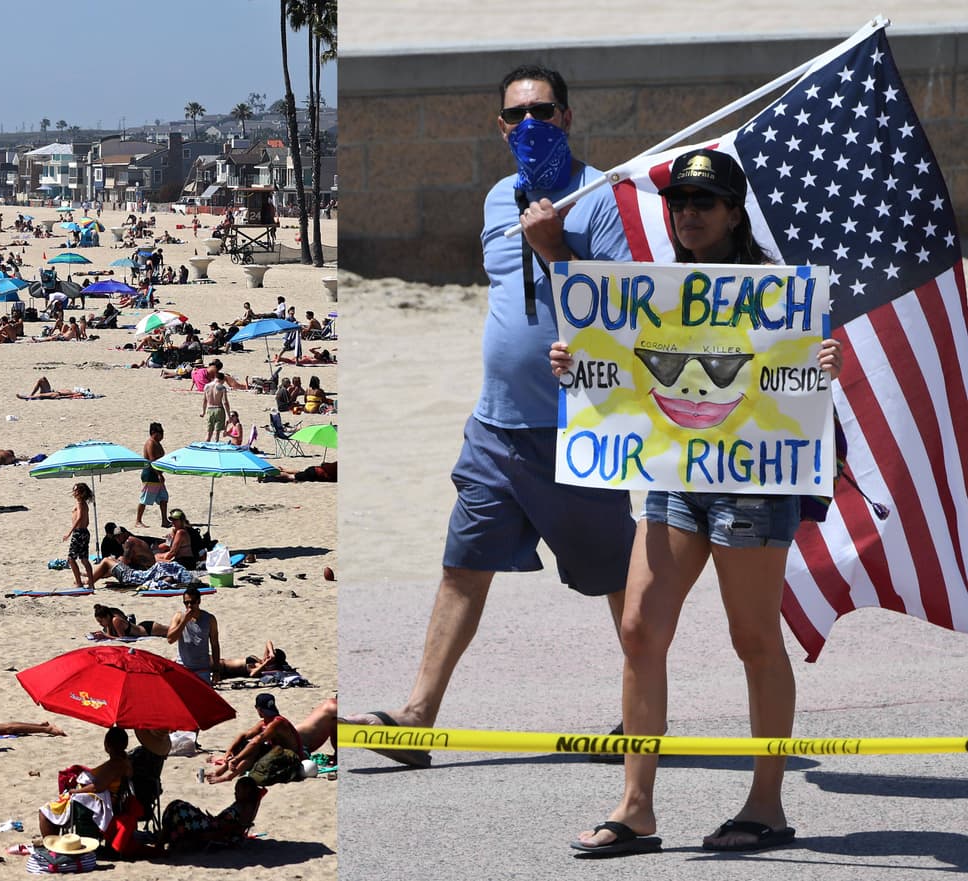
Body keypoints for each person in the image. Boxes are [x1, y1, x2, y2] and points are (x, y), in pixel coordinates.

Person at [342, 64, 639, 768]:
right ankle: (416, 716)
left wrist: (557, 249)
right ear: (500, 127)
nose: (530, 124)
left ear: (566, 117)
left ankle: (640, 715)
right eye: (517, 115)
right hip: (496, 427)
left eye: (544, 110)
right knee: (462, 566)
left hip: (577, 432)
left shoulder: (603, 200)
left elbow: (624, 315)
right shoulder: (495, 200)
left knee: (617, 577)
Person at [566, 148, 842, 856]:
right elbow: (622, 369)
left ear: (732, 212)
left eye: (703, 203)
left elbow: (794, 386)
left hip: (750, 480)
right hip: (672, 473)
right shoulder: (657, 289)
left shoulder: (772, 288)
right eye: (679, 203)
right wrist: (579, 362)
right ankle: (636, 806)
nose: (688, 214)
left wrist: (822, 364)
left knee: (753, 638)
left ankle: (767, 803)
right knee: (638, 629)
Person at [38, 726, 135, 847]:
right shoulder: (124, 760)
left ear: (106, 745)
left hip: (99, 801)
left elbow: (97, 787)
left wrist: (76, 791)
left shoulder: (115, 765)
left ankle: (52, 846)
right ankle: (57, 844)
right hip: (109, 798)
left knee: (45, 812)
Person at [203, 693, 303, 784]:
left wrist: (237, 759)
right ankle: (219, 772)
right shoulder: (263, 723)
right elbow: (243, 736)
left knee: (254, 746)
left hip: (291, 757)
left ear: (257, 708)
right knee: (245, 745)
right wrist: (228, 752)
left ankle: (229, 777)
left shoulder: (277, 723)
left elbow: (256, 741)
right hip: (276, 753)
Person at [159, 777, 264, 852]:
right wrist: (213, 819)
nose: (235, 793)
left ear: (247, 791)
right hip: (211, 825)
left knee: (178, 806)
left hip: (212, 830)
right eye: (235, 790)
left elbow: (233, 828)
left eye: (238, 791)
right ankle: (162, 841)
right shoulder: (240, 803)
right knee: (177, 807)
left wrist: (209, 834)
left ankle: (160, 843)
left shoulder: (246, 807)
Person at [166, 586, 218, 684]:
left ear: (198, 601)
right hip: (183, 668)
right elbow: (170, 639)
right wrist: (184, 621)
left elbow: (215, 645)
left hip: (203, 669)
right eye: (186, 603)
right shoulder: (179, 617)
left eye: (192, 602)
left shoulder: (210, 619)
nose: (189, 606)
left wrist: (216, 670)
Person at [136, 422, 170, 529]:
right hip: (150, 475)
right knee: (145, 499)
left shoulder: (157, 443)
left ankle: (164, 520)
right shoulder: (150, 443)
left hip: (157, 475)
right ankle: (138, 521)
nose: (162, 435)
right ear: (153, 433)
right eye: (160, 433)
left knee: (164, 498)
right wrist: (159, 474)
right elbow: (152, 460)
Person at [65, 483, 95, 589]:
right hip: (84, 532)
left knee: (71, 559)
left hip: (79, 533)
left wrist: (69, 532)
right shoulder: (83, 503)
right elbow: (87, 521)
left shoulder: (80, 503)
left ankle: (79, 582)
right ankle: (91, 583)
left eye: (75, 490)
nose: (73, 492)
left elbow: (80, 518)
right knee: (83, 559)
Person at [214, 642, 291, 680]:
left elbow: (252, 674)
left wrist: (265, 663)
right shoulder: (262, 660)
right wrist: (271, 652)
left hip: (220, 667)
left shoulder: (263, 668)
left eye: (270, 657)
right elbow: (268, 642)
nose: (267, 656)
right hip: (219, 661)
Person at [92, 604, 168, 639]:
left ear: (107, 617)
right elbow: (110, 635)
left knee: (172, 630)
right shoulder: (109, 623)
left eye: (101, 621)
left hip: (149, 629)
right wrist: (101, 635)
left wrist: (104, 635)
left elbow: (123, 638)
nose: (100, 624)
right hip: (142, 628)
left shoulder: (116, 620)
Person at [200, 371, 231, 442]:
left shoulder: (207, 386)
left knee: (209, 433)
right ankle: (215, 448)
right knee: (217, 434)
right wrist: (229, 415)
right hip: (219, 409)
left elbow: (204, 400)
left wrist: (203, 412)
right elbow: (225, 402)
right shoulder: (222, 387)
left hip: (210, 409)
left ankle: (205, 449)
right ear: (222, 379)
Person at [18, 376, 93, 400]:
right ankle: (31, 394)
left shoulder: (74, 393)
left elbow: (66, 396)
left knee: (41, 395)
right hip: (52, 392)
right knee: (42, 379)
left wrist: (59, 396)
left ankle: (28, 397)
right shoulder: (71, 391)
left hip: (55, 394)